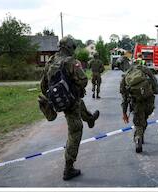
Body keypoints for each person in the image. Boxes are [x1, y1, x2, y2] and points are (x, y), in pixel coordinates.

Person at [39, 37, 100, 180]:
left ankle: (90, 118)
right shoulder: (71, 62)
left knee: (79, 103)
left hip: (57, 100)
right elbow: (84, 81)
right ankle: (69, 168)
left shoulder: (50, 61)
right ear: (69, 47)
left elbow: (43, 85)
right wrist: (71, 88)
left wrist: (56, 94)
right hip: (70, 101)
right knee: (75, 130)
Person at [120, 53, 158, 153]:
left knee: (138, 123)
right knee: (144, 119)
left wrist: (124, 112)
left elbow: (124, 98)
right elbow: (155, 85)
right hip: (149, 101)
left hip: (136, 103)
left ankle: (138, 137)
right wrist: (154, 91)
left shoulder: (126, 76)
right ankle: (141, 135)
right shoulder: (145, 70)